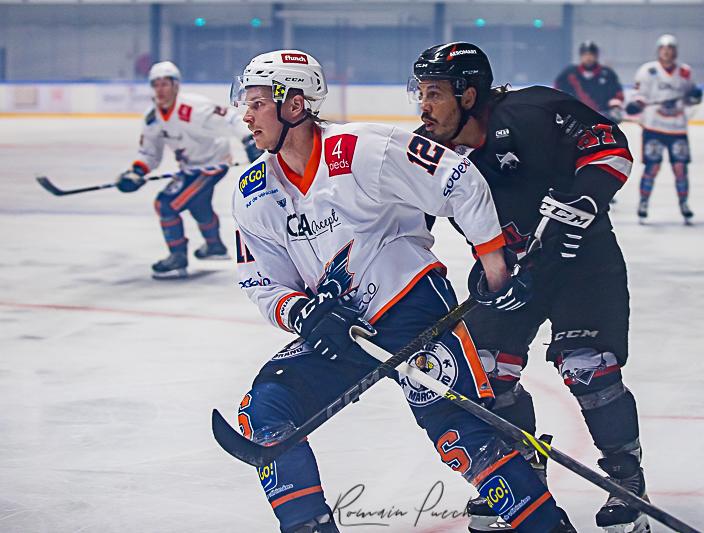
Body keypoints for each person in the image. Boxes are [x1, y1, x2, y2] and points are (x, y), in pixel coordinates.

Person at [230, 49, 576, 533]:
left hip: (411, 311)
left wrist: (493, 260)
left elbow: (458, 179)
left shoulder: (360, 148)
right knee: (264, 410)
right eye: (243, 101)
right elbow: (262, 282)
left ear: (294, 105)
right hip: (338, 330)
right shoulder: (253, 192)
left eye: (258, 101)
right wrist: (303, 315)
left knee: (464, 439)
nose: (245, 114)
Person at [409, 42, 649, 533]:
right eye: (420, 93)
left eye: (434, 93)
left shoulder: (534, 111)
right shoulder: (425, 151)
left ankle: (627, 480)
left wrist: (586, 195)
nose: (423, 106)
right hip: (505, 272)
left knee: (589, 370)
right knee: (487, 373)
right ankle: (521, 475)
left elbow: (609, 147)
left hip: (583, 262)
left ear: (469, 94)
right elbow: (404, 222)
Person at [116, 61, 263, 278]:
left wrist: (248, 140)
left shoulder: (194, 107)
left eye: (165, 83)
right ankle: (214, 246)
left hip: (212, 165)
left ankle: (178, 258)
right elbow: (149, 153)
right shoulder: (153, 117)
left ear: (176, 85)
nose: (160, 89)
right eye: (156, 84)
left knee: (165, 204)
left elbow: (231, 118)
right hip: (190, 167)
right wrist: (137, 171)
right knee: (199, 205)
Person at [625, 34, 703, 224]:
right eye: (664, 48)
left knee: (680, 169)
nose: (667, 51)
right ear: (659, 50)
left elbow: (692, 97)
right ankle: (643, 203)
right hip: (653, 128)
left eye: (671, 48)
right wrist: (637, 105)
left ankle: (684, 204)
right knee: (652, 167)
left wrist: (695, 96)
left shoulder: (685, 72)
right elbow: (639, 94)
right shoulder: (648, 71)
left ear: (675, 51)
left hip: (677, 129)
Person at [555, 41, 624, 123]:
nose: (588, 58)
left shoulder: (608, 74)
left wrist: (615, 109)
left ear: (596, 56)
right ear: (581, 56)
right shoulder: (569, 73)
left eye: (591, 54)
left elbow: (617, 94)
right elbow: (557, 92)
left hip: (602, 119)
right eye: (585, 54)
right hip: (575, 119)